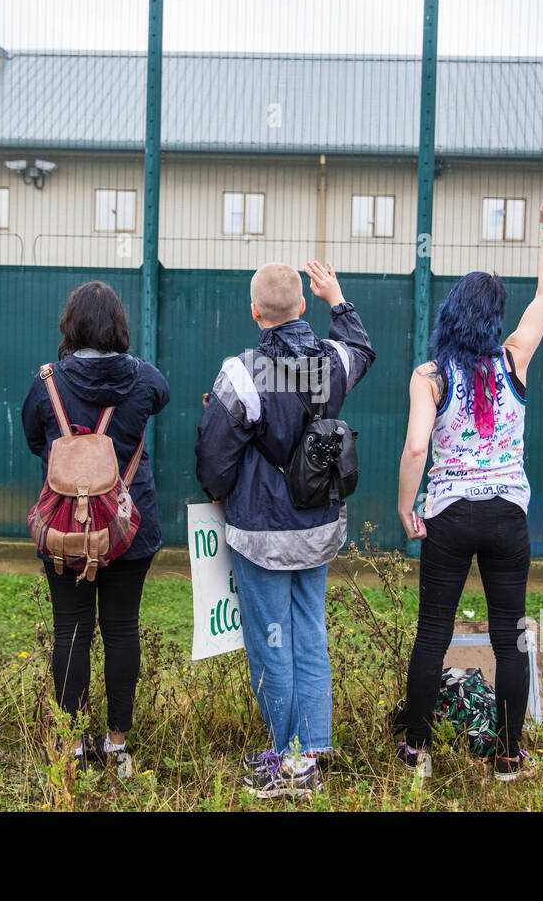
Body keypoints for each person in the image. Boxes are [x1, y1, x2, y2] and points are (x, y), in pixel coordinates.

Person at [396, 181, 543, 781]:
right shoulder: (515, 357)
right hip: (507, 516)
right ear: (496, 319)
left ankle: (416, 752)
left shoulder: (430, 373)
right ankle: (506, 757)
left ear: (450, 312)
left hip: (448, 516)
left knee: (432, 633)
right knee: (510, 636)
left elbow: (418, 444)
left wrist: (406, 509)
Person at [195, 260, 375, 799]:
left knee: (271, 641)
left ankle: (288, 760)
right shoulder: (332, 360)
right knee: (309, 636)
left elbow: (213, 457)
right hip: (320, 523)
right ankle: (310, 750)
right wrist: (337, 299)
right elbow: (362, 349)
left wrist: (222, 497)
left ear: (254, 312)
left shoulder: (241, 372)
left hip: (261, 530)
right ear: (301, 307)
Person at [22, 281, 169, 772]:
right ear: (120, 327)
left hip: (65, 529)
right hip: (129, 526)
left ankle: (71, 747)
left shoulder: (46, 382)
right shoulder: (144, 379)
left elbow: (30, 437)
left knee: (71, 629)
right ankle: (117, 743)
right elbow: (161, 398)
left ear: (71, 324)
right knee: (122, 628)